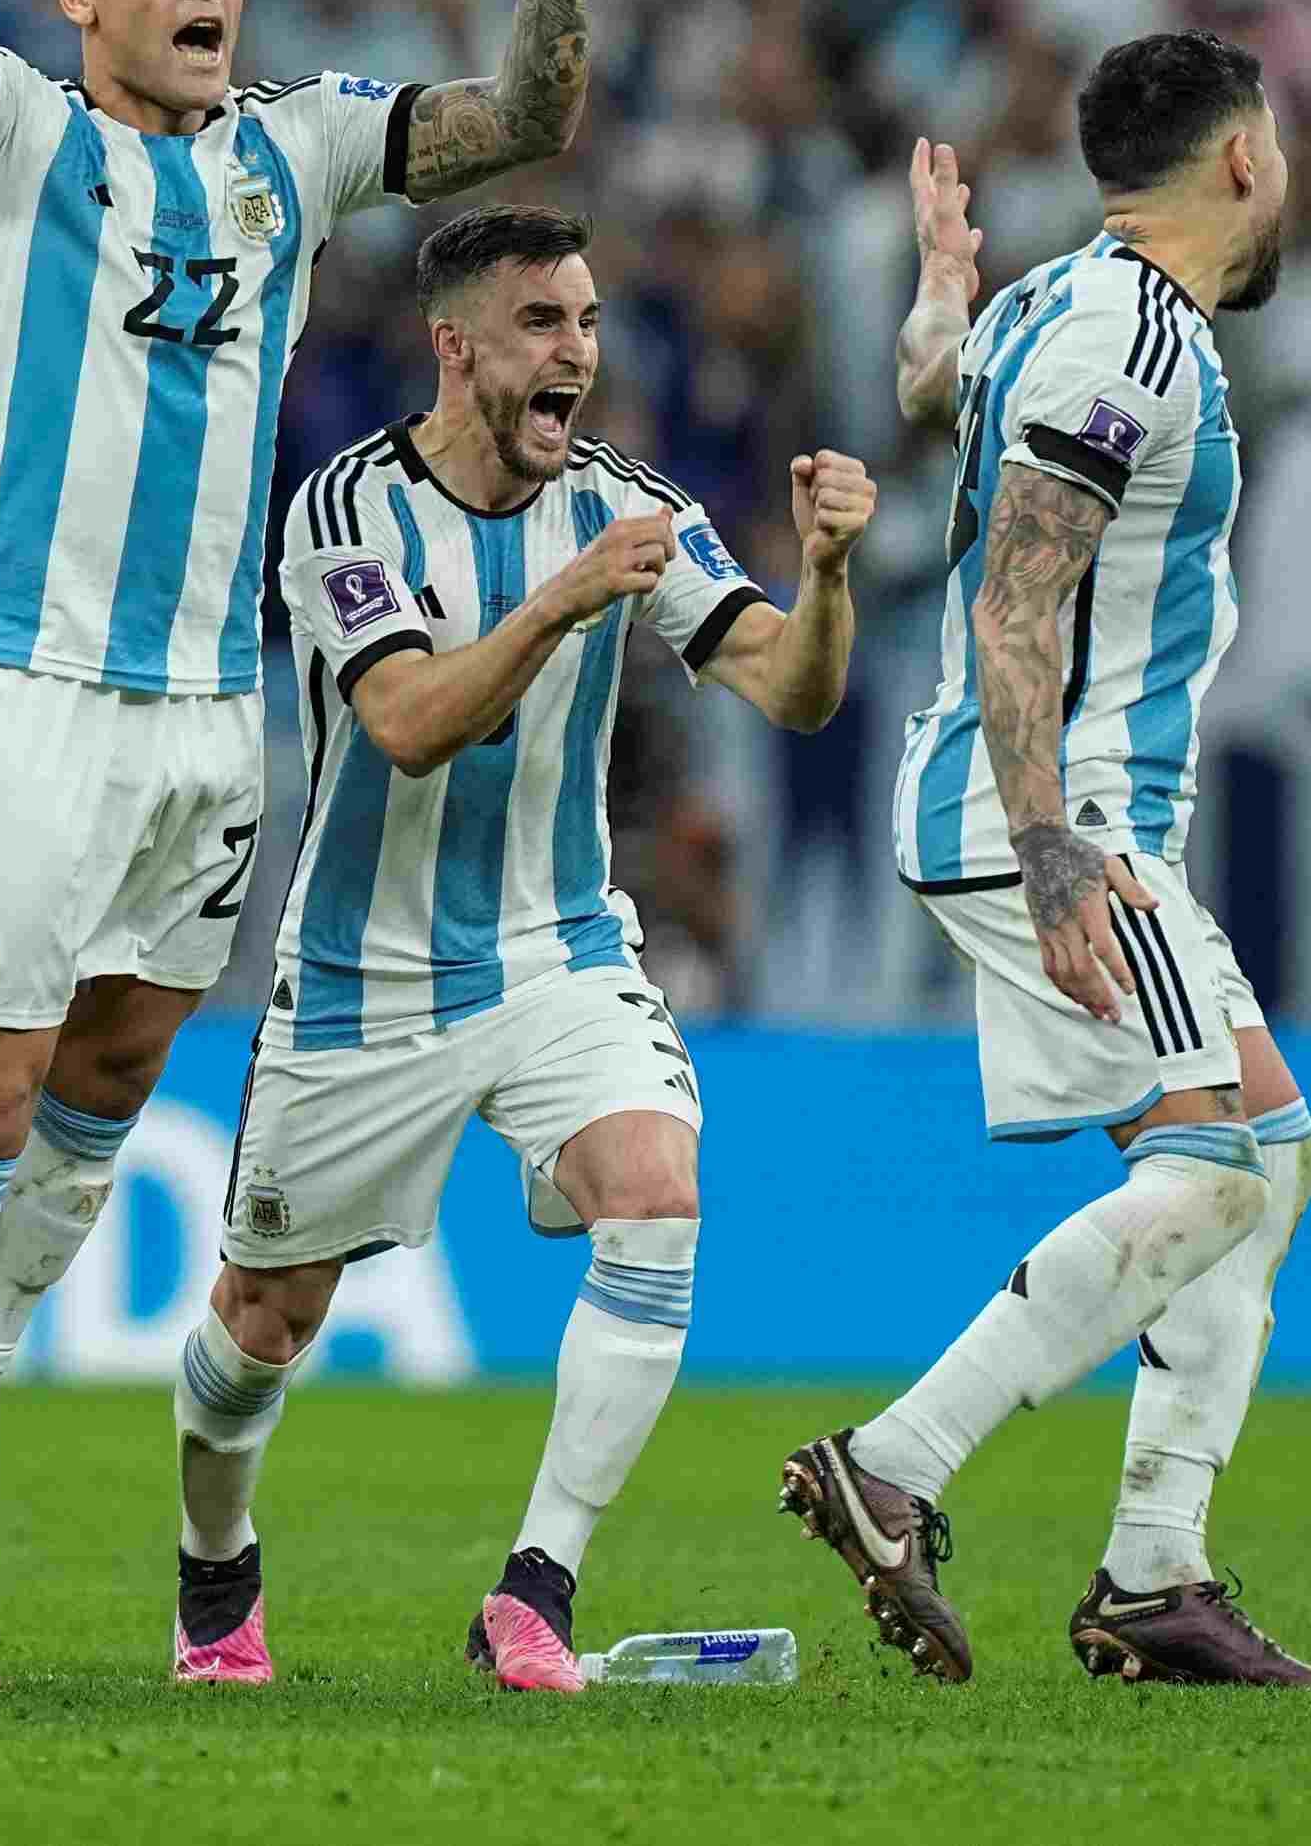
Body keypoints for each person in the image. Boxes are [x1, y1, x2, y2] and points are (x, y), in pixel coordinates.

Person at [0, 0, 605, 1687]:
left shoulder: (294, 145)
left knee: (104, 1084)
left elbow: (515, 124)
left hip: (209, 715)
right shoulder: (15, 136)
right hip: (21, 687)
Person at [174, 205, 872, 1694]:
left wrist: (826, 577)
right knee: (261, 1324)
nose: (579, 353)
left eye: (591, 321)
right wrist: (564, 597)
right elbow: (409, 724)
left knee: (658, 1183)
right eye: (544, 324)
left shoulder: (628, 503)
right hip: (364, 978)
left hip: (556, 946)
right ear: (455, 345)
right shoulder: (345, 509)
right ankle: (214, 1568)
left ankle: (534, 1590)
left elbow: (792, 689)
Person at [777, 38, 1311, 1691]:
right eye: (1279, 142)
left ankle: (1155, 1575)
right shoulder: (1127, 331)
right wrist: (1045, 847)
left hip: (1072, 809)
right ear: (1241, 159)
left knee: (1275, 1156)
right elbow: (1020, 591)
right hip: (1054, 810)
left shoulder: (1048, 301)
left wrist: (938, 291)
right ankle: (895, 1460)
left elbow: (933, 393)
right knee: (1221, 1169)